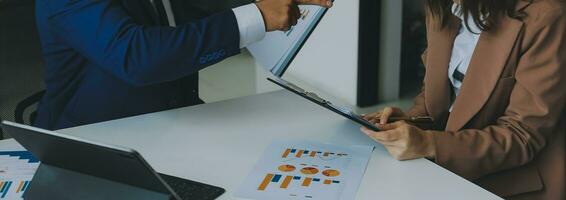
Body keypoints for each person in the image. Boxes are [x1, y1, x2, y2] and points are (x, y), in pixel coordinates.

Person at [361, 0, 565, 199]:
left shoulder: (548, 14)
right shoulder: (442, 6)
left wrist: (430, 144)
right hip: (447, 171)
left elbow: (522, 136)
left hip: (512, 182)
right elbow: (435, 95)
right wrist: (410, 122)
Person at [33, 0, 332, 130]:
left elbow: (195, 12)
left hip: (175, 122)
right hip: (94, 144)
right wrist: (256, 16)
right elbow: (139, 57)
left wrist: (265, 2)